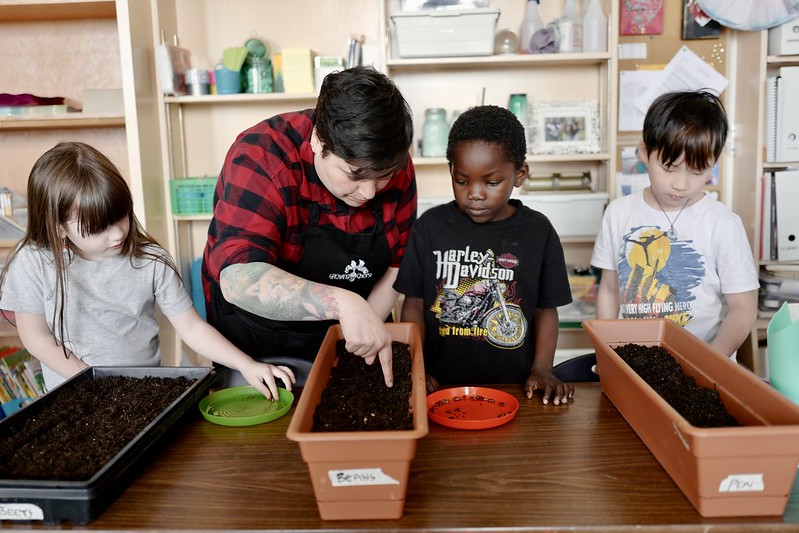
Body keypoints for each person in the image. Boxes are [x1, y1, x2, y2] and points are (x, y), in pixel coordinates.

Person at [0, 142, 295, 397]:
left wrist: (247, 364)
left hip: (144, 394)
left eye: (121, 216)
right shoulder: (33, 262)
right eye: (99, 227)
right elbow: (36, 338)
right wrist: (91, 380)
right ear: (59, 227)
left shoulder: (151, 260)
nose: (117, 234)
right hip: (76, 396)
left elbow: (191, 327)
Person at [201, 66, 416, 387]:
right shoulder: (261, 157)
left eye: (383, 177)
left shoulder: (389, 161)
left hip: (351, 328)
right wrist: (343, 303)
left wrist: (354, 339)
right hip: (257, 346)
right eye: (354, 175)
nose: (371, 192)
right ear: (318, 140)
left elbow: (398, 266)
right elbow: (239, 279)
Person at [393, 105, 574, 405]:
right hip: (439, 390)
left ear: (520, 174)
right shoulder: (429, 228)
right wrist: (417, 368)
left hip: (514, 389)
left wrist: (542, 368)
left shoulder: (538, 231)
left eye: (492, 182)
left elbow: (546, 310)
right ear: (451, 170)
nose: (475, 193)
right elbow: (412, 304)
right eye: (462, 181)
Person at [591, 90, 759, 357]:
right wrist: (606, 351)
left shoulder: (723, 223)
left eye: (697, 170)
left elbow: (744, 307)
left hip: (705, 364)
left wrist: (711, 360)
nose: (681, 184)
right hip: (635, 362)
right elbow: (609, 291)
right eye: (669, 167)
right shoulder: (618, 213)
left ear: (714, 162)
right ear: (645, 153)